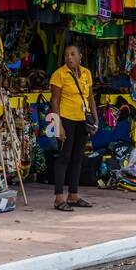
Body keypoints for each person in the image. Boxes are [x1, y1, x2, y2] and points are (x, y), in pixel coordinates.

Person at [48, 45, 99, 212]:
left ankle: (73, 195)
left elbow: (90, 96)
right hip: (66, 119)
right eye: (66, 55)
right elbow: (54, 101)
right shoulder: (59, 74)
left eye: (72, 54)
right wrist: (58, 125)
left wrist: (95, 117)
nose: (69, 57)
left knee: (78, 158)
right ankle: (58, 198)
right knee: (64, 157)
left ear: (80, 56)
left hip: (83, 120)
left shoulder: (86, 73)